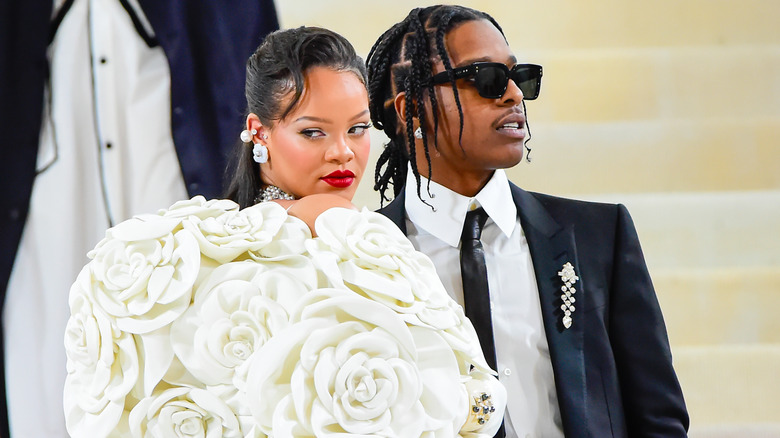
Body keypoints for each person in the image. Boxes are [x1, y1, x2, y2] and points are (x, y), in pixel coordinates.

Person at [64, 26, 505, 438]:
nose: (342, 153)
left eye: (356, 129)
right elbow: (472, 397)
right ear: (259, 132)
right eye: (313, 132)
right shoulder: (343, 231)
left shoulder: (182, 249)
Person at [366, 5, 689, 437]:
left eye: (519, 77)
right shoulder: (364, 257)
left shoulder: (598, 235)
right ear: (415, 109)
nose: (514, 95)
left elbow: (659, 419)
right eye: (486, 78)